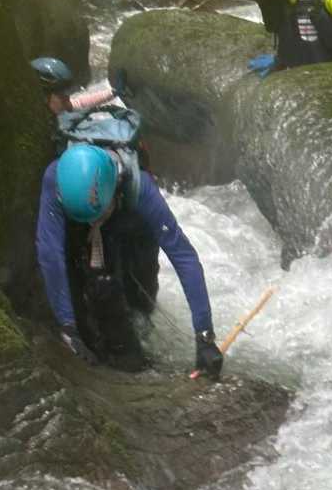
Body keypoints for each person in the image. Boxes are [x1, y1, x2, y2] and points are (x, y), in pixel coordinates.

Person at [36, 140, 223, 379]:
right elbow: (50, 253)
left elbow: (183, 256)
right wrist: (67, 326)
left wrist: (205, 336)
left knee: (142, 304)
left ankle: (140, 353)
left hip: (134, 227)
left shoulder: (141, 188)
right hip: (86, 230)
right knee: (100, 291)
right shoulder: (56, 178)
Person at [31, 56, 119, 116]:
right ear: (44, 97)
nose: (68, 98)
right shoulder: (39, 125)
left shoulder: (58, 106)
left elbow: (80, 103)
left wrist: (112, 93)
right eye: (61, 95)